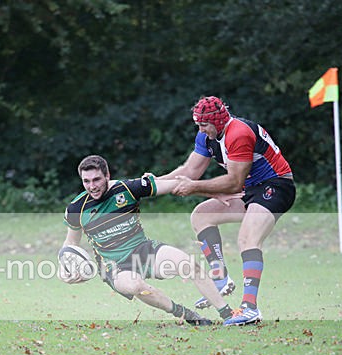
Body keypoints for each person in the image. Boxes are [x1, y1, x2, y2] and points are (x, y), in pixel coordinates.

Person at [152, 95, 295, 326]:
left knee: (248, 239)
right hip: (250, 190)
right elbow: (190, 171)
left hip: (276, 186)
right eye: (197, 124)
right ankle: (220, 277)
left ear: (218, 121)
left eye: (204, 124)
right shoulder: (206, 137)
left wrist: (195, 188)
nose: (200, 129)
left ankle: (250, 309)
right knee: (201, 216)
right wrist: (154, 183)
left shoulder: (238, 133)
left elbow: (233, 183)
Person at [60, 154, 236, 326]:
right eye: (86, 181)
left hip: (143, 249)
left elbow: (176, 184)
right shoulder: (77, 209)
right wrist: (65, 269)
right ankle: (185, 314)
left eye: (97, 179)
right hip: (113, 265)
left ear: (107, 176)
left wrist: (214, 193)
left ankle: (228, 314)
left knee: (189, 265)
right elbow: (71, 244)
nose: (92, 186)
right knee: (136, 286)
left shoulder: (128, 189)